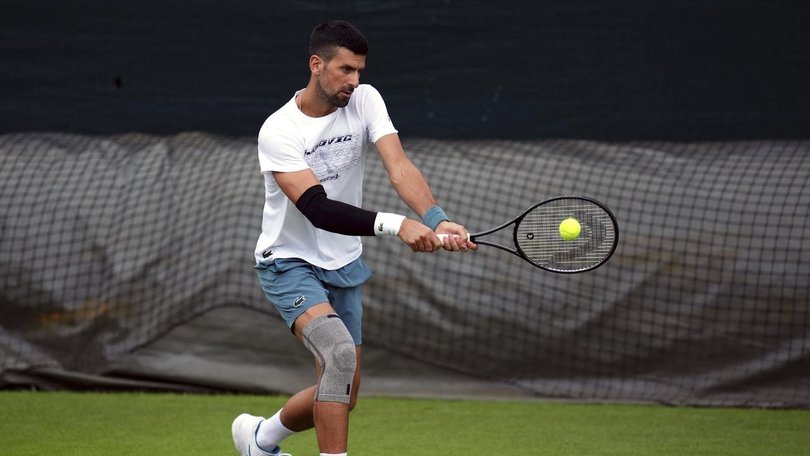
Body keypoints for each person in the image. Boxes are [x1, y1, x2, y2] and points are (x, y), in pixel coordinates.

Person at [231, 20, 476, 456]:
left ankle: (260, 439)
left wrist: (436, 219)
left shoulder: (365, 100)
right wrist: (396, 225)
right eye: (345, 70)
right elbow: (317, 208)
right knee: (338, 356)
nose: (354, 80)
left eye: (359, 70)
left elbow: (398, 166)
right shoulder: (279, 130)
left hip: (343, 264)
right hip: (289, 263)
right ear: (316, 64)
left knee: (344, 392)